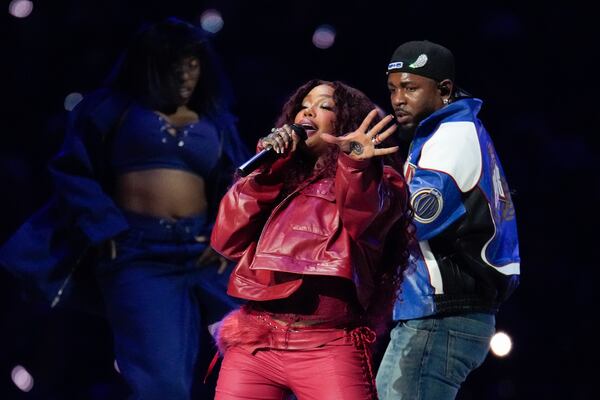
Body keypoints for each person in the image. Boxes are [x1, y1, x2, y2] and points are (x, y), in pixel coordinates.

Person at [0, 17, 249, 399]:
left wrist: (225, 238)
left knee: (262, 358)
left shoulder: (216, 120)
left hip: (205, 254)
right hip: (139, 253)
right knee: (162, 384)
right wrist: (104, 228)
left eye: (194, 64)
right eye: (175, 64)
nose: (186, 74)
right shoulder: (111, 110)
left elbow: (236, 186)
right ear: (150, 65)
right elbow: (72, 170)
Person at [208, 79, 412, 400]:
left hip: (327, 346)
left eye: (325, 106)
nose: (309, 110)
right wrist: (266, 172)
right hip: (256, 344)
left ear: (346, 123)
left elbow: (364, 219)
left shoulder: (379, 179)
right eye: (304, 105)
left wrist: (357, 166)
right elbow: (226, 240)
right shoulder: (276, 178)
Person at [375, 40, 520, 399]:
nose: (397, 100)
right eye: (393, 89)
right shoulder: (447, 132)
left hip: (443, 315)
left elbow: (410, 221)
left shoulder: (452, 136)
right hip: (438, 313)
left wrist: (357, 176)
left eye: (410, 88)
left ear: (444, 90)